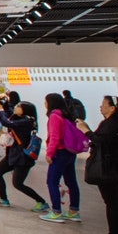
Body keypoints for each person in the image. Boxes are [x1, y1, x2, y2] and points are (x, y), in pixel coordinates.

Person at [76, 95, 118, 234]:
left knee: (112, 201)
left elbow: (99, 141)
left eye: (103, 104)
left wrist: (85, 130)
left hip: (108, 166)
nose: (100, 107)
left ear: (112, 108)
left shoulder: (110, 124)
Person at [0, 101, 48, 211]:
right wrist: (6, 105)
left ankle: (41, 202)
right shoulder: (21, 118)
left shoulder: (27, 121)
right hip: (13, 154)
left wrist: (1, 111)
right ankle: (4, 199)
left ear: (25, 110)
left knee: (18, 184)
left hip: (23, 157)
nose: (15, 108)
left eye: (18, 106)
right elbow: (11, 114)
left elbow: (8, 123)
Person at [40, 92, 81, 223]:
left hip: (60, 152)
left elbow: (55, 136)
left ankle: (56, 211)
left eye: (46, 101)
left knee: (52, 181)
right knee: (71, 182)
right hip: (70, 152)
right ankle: (74, 211)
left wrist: (49, 152)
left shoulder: (54, 116)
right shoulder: (66, 115)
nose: (44, 103)